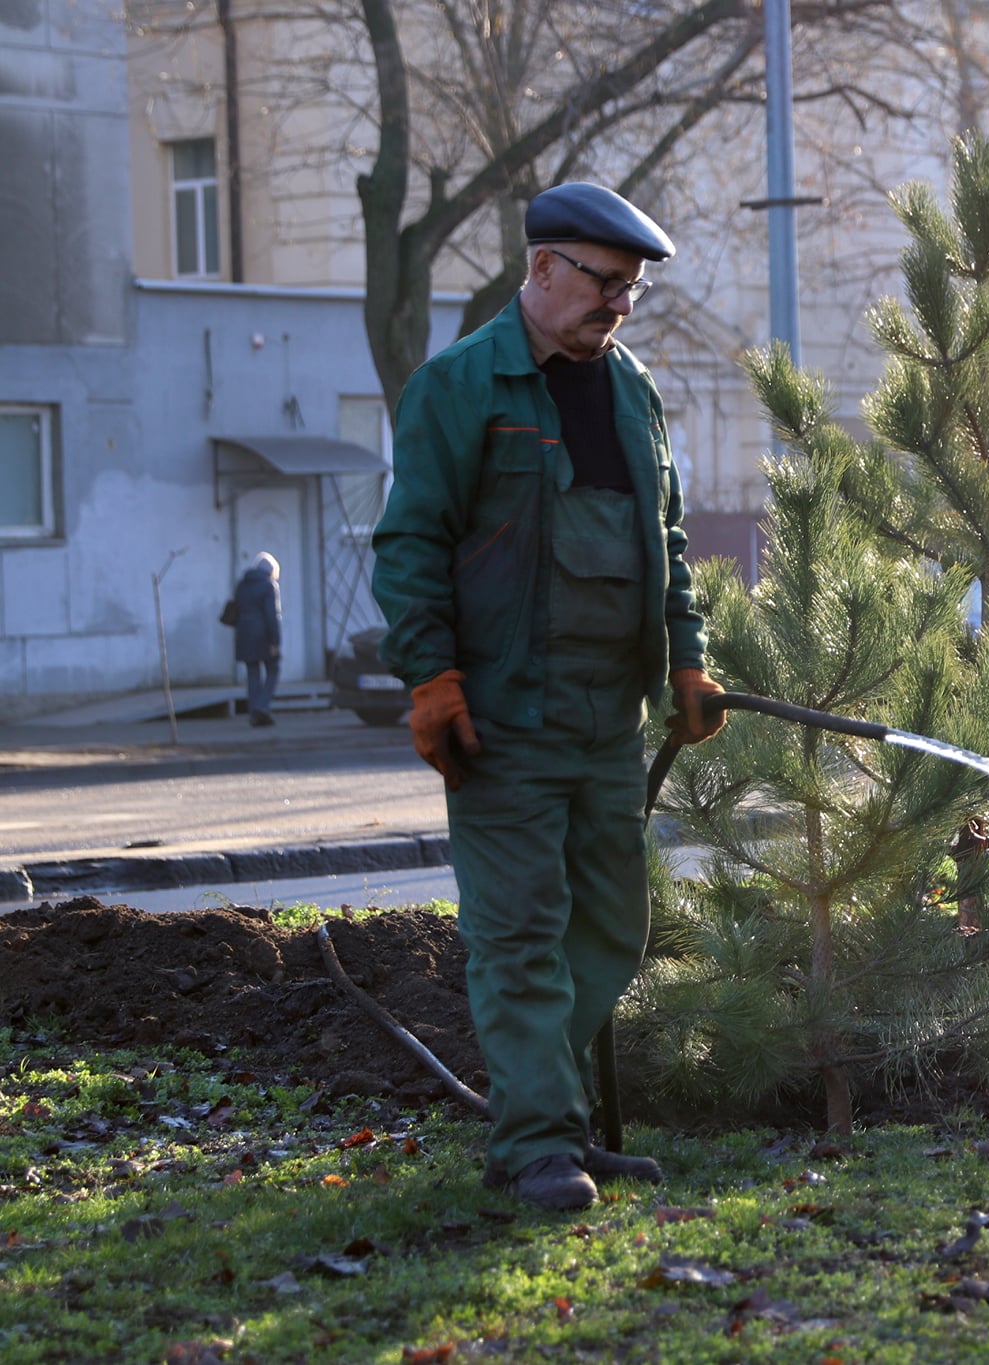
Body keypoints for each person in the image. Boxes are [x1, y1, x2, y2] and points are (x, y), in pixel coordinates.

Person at [370, 183, 726, 1212]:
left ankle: (545, 1118)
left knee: (611, 928)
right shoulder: (459, 386)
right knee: (520, 934)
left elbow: (665, 543)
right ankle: (538, 1143)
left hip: (609, 722)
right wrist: (431, 678)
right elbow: (410, 545)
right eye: (605, 282)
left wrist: (687, 661)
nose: (619, 305)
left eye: (631, 290)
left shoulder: (632, 392)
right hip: (503, 720)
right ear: (541, 268)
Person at [233, 552, 283, 727]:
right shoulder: (269, 586)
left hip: (244, 635)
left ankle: (255, 712)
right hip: (263, 636)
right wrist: (275, 641)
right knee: (273, 670)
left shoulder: (242, 584)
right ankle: (261, 707)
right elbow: (271, 616)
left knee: (252, 673)